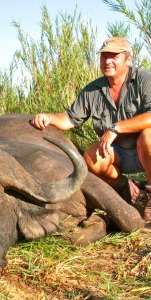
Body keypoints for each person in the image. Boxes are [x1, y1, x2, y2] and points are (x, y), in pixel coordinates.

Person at [31, 37, 151, 222]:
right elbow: (70, 119)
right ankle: (125, 189)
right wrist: (49, 118)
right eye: (104, 57)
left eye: (114, 56)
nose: (107, 61)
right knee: (91, 157)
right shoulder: (92, 90)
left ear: (128, 59)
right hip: (119, 153)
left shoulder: (144, 79)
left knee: (148, 136)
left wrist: (116, 128)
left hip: (145, 149)